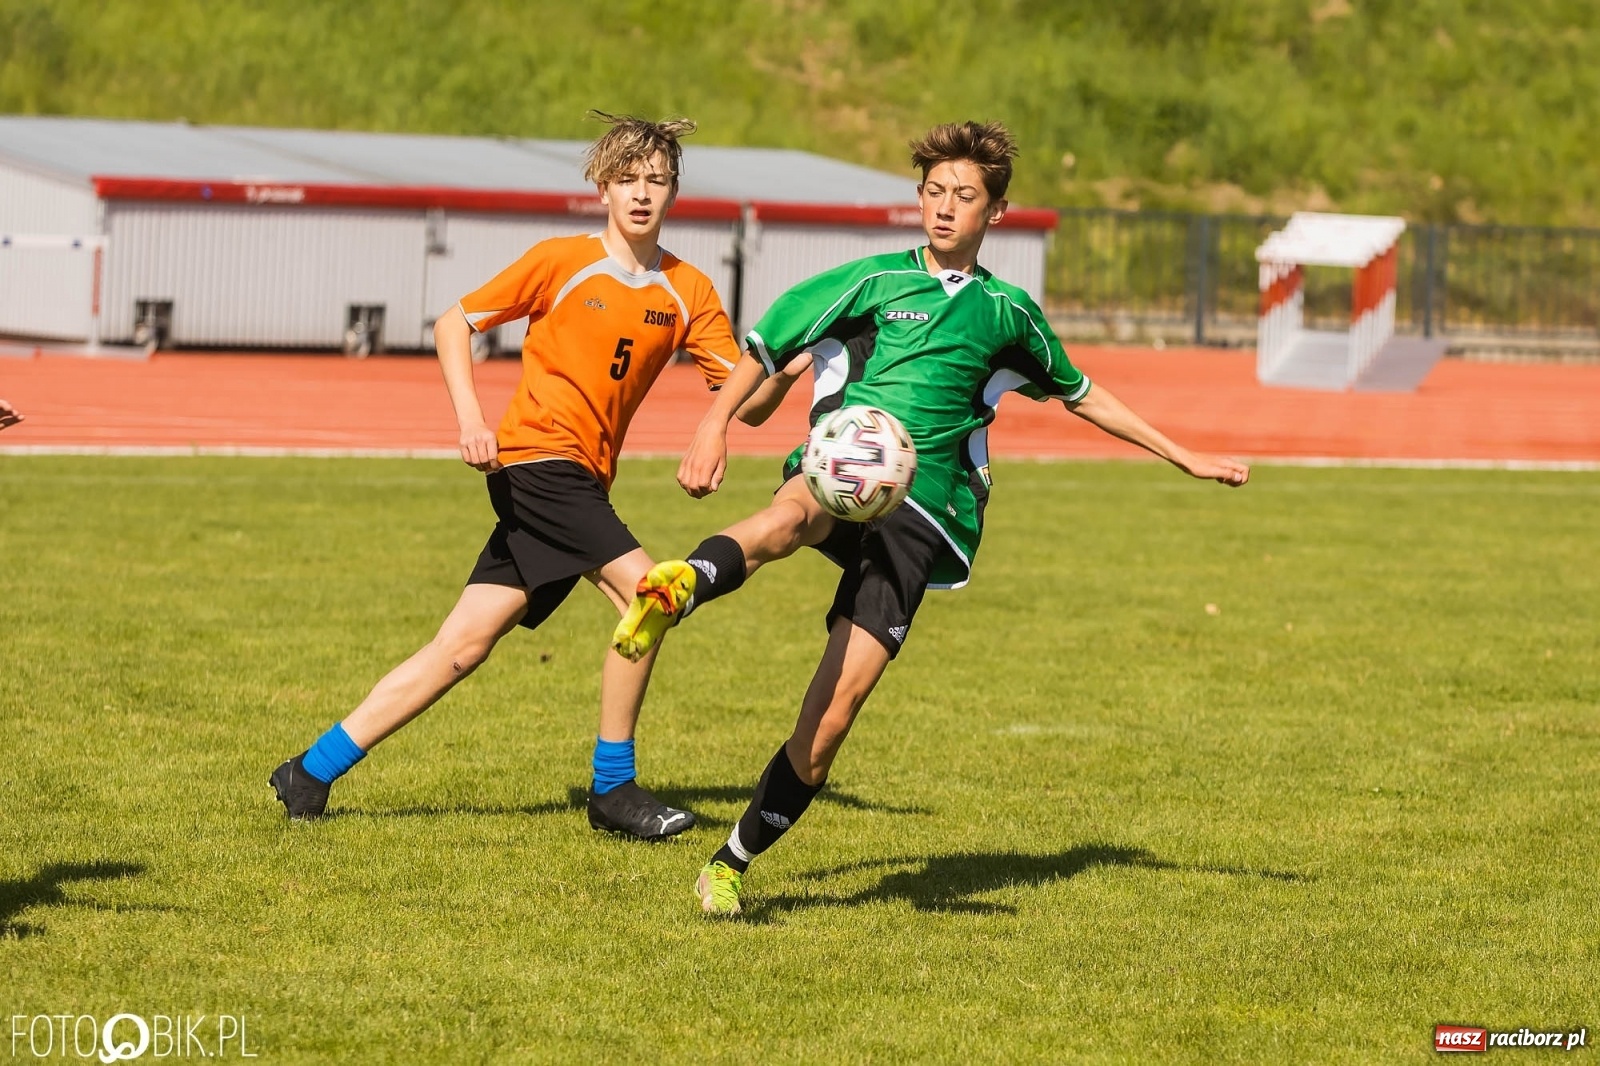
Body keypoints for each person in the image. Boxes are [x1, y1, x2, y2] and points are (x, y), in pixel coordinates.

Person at [609, 120, 1252, 913]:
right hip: (843, 469)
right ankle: (683, 586)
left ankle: (730, 862)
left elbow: (1085, 394)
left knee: (831, 718)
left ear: (996, 212)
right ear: (919, 199)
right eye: (935, 193)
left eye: (965, 197)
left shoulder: (1008, 314)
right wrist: (712, 425)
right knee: (790, 515)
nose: (946, 208)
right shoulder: (872, 280)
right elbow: (768, 342)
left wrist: (1181, 454)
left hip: (923, 514)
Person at [269, 113, 741, 840]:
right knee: (653, 595)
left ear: (675, 190)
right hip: (538, 464)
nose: (641, 193)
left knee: (461, 646)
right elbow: (454, 323)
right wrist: (469, 418)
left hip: (582, 480)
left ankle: (309, 771)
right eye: (627, 178)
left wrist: (785, 361)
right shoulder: (560, 260)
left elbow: (744, 390)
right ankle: (614, 790)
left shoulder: (689, 290)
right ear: (601, 187)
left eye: (656, 179)